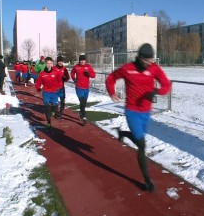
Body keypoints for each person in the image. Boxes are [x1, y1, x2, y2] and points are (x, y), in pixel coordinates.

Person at [105, 43, 171, 191]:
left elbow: (166, 85)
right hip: (132, 111)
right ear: (140, 58)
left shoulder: (154, 68)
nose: (149, 62)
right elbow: (111, 78)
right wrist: (112, 92)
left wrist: (156, 91)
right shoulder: (128, 68)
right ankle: (147, 181)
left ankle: (122, 133)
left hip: (146, 112)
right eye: (146, 60)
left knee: (139, 138)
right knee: (142, 145)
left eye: (151, 60)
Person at [35, 57, 62, 129]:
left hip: (55, 93)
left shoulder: (56, 72)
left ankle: (54, 112)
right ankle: (49, 122)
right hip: (46, 93)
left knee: (55, 108)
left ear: (52, 64)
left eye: (50, 63)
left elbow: (60, 81)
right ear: (45, 64)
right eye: (48, 63)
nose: (49, 65)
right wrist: (38, 88)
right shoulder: (42, 74)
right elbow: (38, 83)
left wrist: (60, 87)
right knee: (47, 108)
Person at [70, 54, 96, 125]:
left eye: (83, 60)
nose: (82, 62)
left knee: (84, 103)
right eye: (81, 60)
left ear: (85, 61)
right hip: (79, 87)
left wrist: (89, 74)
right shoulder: (76, 67)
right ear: (79, 61)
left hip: (86, 88)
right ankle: (84, 117)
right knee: (82, 101)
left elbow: (94, 75)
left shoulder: (88, 66)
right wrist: (74, 79)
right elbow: (72, 73)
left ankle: (80, 112)